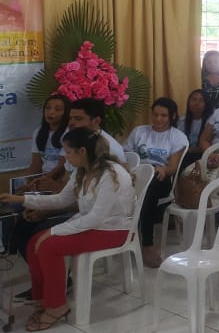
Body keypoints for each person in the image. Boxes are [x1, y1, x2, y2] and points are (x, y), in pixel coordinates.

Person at [0, 128, 134, 331]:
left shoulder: (111, 174)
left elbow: (96, 218)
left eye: (68, 152)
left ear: (82, 151)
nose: (66, 157)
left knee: (47, 246)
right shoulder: (82, 172)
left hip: (113, 230)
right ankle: (43, 300)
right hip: (92, 225)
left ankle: (57, 306)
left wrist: (54, 231)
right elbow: (60, 199)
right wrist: (19, 199)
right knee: (33, 242)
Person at [123, 97, 188, 267]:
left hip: (161, 178)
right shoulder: (139, 132)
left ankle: (147, 244)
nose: (159, 119)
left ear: (172, 116)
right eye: (156, 115)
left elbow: (173, 167)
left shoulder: (177, 137)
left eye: (164, 116)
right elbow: (126, 156)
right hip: (136, 176)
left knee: (148, 191)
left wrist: (163, 169)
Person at [21, 95, 71, 192]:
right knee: (17, 202)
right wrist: (27, 180)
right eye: (48, 108)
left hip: (60, 179)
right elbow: (36, 163)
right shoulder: (38, 131)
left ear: (66, 113)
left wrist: (40, 181)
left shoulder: (68, 133)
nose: (51, 112)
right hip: (43, 177)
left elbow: (61, 166)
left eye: (58, 109)